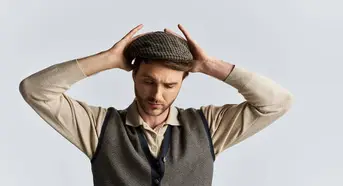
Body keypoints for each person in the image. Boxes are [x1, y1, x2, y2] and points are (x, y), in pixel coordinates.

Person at [18, 24, 293, 186]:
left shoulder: (210, 126)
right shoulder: (98, 127)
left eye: (170, 85)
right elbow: (35, 90)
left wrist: (211, 66)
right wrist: (107, 59)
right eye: (148, 81)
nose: (157, 95)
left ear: (184, 81)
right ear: (134, 75)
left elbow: (277, 103)